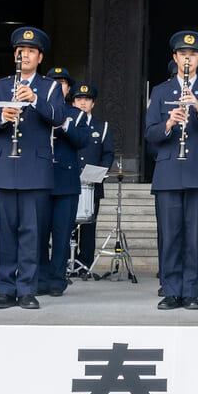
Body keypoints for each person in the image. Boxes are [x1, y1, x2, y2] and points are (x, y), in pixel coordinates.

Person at [0, 26, 66, 310]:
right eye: (20, 51)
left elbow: (58, 117)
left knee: (32, 234)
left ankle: (27, 289)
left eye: (30, 51)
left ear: (40, 57)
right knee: (5, 234)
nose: (25, 56)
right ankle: (4, 290)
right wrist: (2, 117)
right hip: (4, 167)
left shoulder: (50, 87)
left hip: (35, 169)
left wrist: (34, 99)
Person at [145, 30, 198, 310]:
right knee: (170, 236)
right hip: (168, 171)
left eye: (192, 55)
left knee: (194, 236)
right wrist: (168, 123)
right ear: (175, 57)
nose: (187, 59)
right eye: (182, 54)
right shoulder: (160, 91)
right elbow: (150, 133)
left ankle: (191, 291)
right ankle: (170, 291)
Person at [40, 66, 92, 297]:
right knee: (38, 234)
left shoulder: (77, 115)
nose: (57, 86)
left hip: (66, 182)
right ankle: (39, 278)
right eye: (53, 81)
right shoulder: (37, 109)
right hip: (39, 180)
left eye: (62, 83)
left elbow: (82, 141)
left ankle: (56, 280)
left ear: (68, 88)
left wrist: (65, 124)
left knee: (62, 236)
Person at [71, 82, 115, 273]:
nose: (83, 103)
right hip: (69, 182)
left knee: (89, 227)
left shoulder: (101, 126)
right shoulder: (67, 123)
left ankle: (85, 264)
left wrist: (97, 175)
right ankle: (67, 261)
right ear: (73, 103)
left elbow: (108, 154)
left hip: (91, 184)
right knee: (66, 225)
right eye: (79, 99)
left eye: (87, 99)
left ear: (93, 103)